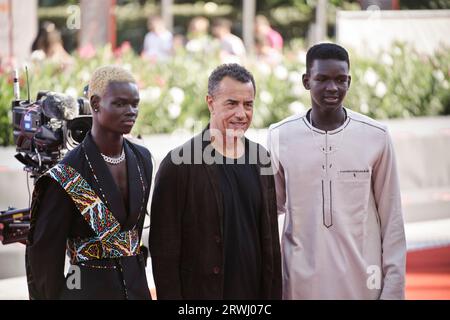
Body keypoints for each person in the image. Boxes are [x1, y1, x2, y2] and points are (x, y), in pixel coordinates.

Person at [267, 43, 406, 300]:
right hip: (299, 284)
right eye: (322, 79)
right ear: (306, 81)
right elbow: (267, 211)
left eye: (340, 79)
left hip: (363, 284)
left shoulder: (376, 136)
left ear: (349, 82)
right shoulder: (279, 136)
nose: (332, 88)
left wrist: (393, 291)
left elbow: (392, 219)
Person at [149, 63, 282, 300]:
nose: (241, 114)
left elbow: (270, 244)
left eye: (248, 104)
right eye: (231, 103)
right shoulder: (179, 165)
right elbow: (164, 253)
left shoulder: (261, 159)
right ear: (210, 103)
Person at [26, 65, 153, 299]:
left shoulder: (142, 159)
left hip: (137, 291)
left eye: (135, 103)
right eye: (120, 103)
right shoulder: (66, 174)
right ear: (95, 104)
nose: (131, 111)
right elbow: (44, 259)